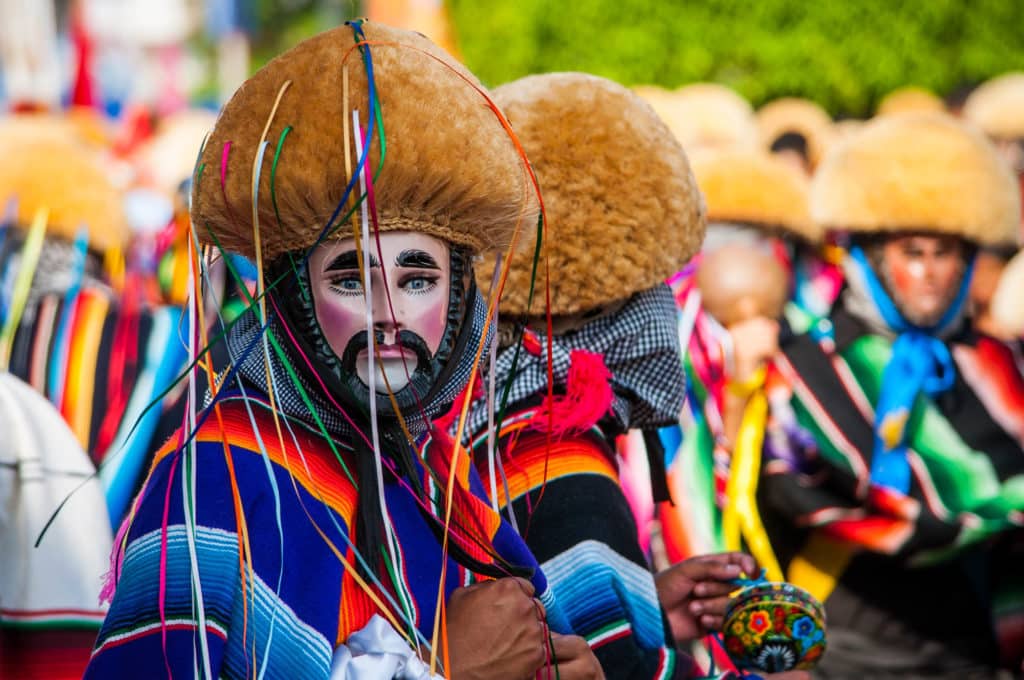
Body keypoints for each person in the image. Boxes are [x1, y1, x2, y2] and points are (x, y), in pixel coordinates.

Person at [85, 22, 602, 679]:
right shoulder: (219, 478)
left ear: (462, 298)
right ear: (292, 296)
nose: (389, 316)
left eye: (418, 279)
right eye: (351, 278)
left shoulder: (440, 479)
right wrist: (445, 667)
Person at [759, 112, 1024, 678]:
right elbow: (786, 498)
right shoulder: (807, 363)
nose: (930, 273)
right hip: (848, 642)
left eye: (945, 252)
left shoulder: (996, 364)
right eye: (912, 252)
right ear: (871, 257)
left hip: (970, 644)